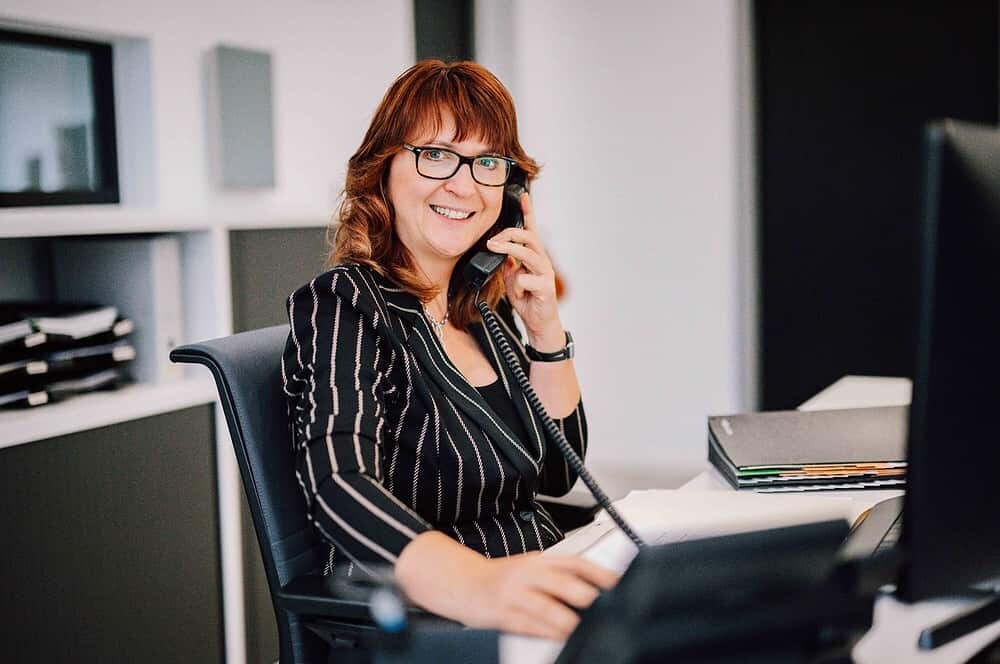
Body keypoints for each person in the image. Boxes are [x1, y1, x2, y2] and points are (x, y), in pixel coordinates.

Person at [282, 59, 617, 640]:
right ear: (382, 169)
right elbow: (339, 482)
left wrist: (545, 331)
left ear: (510, 192)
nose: (463, 185)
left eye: (487, 162)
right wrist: (478, 584)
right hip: (432, 623)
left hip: (530, 593)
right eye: (436, 154)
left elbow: (559, 470)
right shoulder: (346, 304)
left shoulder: (480, 310)